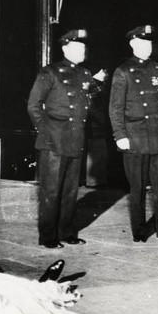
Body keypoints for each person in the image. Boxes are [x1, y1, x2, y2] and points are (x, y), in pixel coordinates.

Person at [108, 25, 158, 243]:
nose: (148, 47)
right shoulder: (123, 71)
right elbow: (115, 107)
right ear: (133, 44)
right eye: (143, 43)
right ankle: (139, 230)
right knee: (138, 187)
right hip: (135, 137)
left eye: (150, 43)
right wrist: (120, 135)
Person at [27, 29, 93, 249]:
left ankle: (66, 232)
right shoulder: (50, 73)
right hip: (53, 141)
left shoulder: (84, 75)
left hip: (75, 139)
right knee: (51, 191)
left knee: (70, 190)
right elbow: (33, 106)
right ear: (65, 49)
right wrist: (46, 131)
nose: (82, 50)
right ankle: (48, 236)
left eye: (84, 47)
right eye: (77, 47)